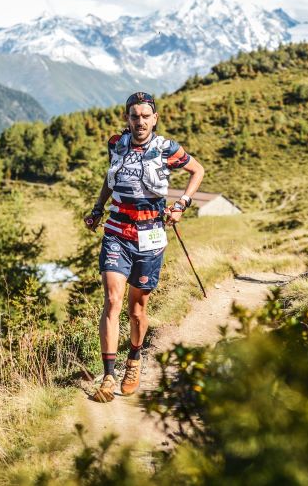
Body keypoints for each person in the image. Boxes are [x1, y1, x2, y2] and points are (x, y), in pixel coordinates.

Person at [83, 91, 205, 403]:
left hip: (150, 237)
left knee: (137, 310)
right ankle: (108, 377)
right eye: (134, 116)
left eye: (146, 116)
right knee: (112, 300)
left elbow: (198, 171)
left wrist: (182, 204)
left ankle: (134, 361)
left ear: (155, 118)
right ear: (127, 118)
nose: (140, 121)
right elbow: (110, 179)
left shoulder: (167, 149)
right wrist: (98, 209)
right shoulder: (116, 144)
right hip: (116, 233)